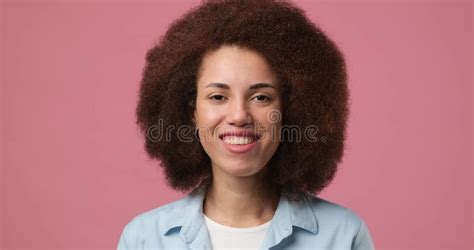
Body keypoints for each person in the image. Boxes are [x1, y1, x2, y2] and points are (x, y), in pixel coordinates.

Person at [118, 0, 375, 249]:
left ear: (291, 110)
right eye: (218, 97)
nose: (239, 116)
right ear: (192, 112)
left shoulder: (343, 236)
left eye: (261, 97)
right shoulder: (143, 240)